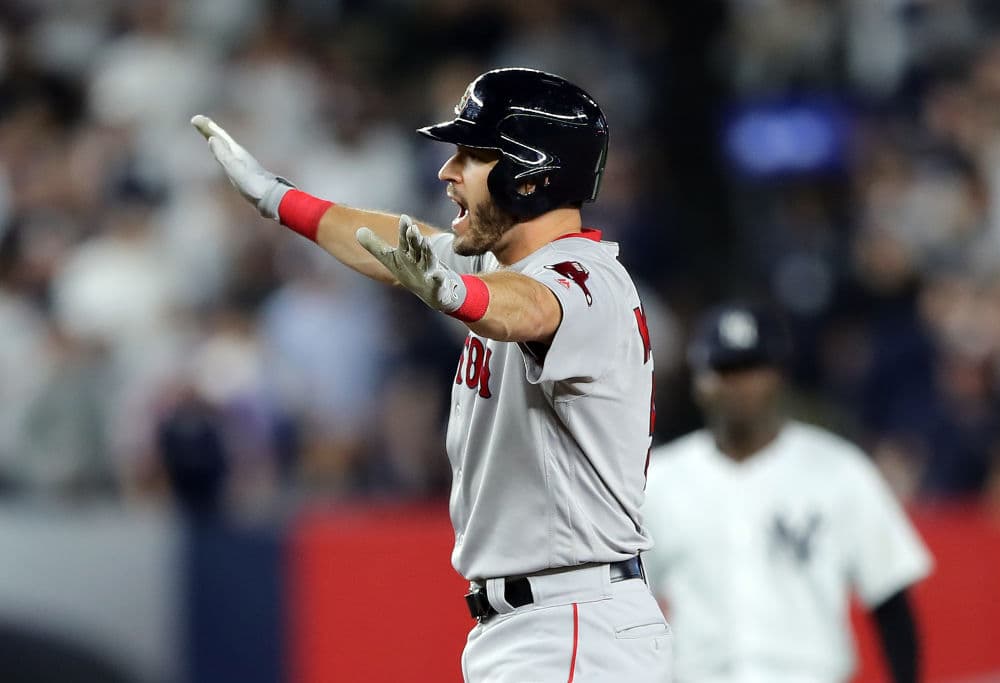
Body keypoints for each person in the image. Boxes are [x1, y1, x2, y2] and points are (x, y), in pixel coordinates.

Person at [192, 67, 671, 681]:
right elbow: (394, 240)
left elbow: (527, 308)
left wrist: (458, 295)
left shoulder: (586, 278)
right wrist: (277, 198)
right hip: (543, 623)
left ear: (530, 177)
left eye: (471, 155)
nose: (447, 173)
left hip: (574, 623)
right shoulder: (502, 264)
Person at [643, 302, 932, 683]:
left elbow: (890, 599)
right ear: (699, 381)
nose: (739, 385)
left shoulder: (839, 470)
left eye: (751, 369)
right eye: (725, 370)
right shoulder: (661, 479)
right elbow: (625, 606)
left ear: (779, 375)